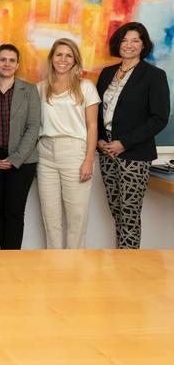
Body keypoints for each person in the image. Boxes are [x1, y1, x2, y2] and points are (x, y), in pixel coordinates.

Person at [96, 22, 170, 249]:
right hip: (106, 152)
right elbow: (97, 108)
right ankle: (122, 263)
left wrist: (123, 143)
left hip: (134, 154)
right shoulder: (108, 73)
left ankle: (128, 268)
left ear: (143, 45)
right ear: (118, 43)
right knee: (117, 211)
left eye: (135, 40)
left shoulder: (154, 75)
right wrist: (100, 140)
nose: (129, 45)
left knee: (129, 215)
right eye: (125, 40)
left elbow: (159, 118)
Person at [36, 38, 99, 249]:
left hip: (75, 154)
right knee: (50, 218)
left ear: (75, 60)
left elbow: (92, 127)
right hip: (45, 155)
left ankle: (75, 267)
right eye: (59, 54)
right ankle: (55, 269)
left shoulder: (85, 87)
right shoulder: (40, 88)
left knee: (76, 217)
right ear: (52, 58)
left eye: (68, 55)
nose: (63, 59)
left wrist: (88, 160)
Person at [0, 44, 41, 250]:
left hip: (22, 162)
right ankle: (2, 258)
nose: (7, 64)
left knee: (15, 212)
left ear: (17, 65)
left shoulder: (29, 90)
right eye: (2, 60)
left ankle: (13, 258)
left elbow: (33, 128)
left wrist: (15, 159)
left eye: (11, 60)